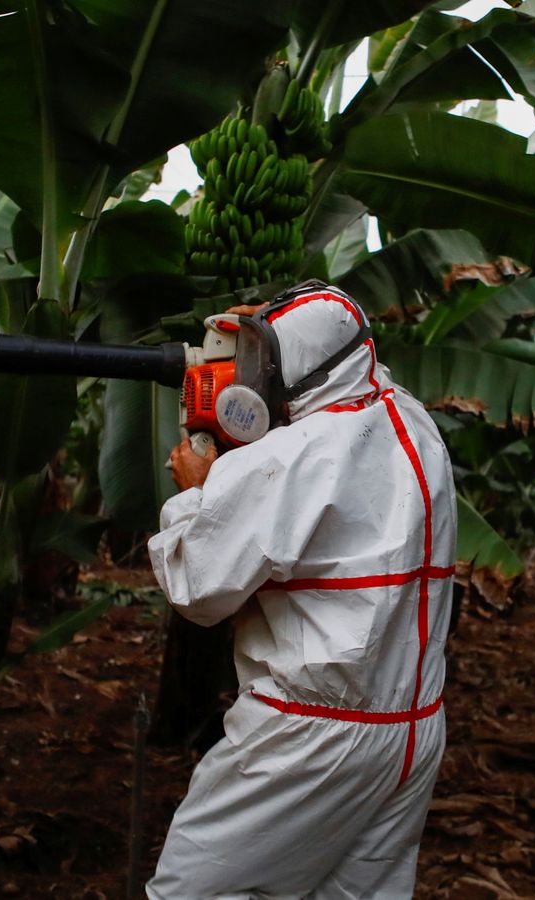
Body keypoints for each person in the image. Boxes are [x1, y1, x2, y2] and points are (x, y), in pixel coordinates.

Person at [145, 281, 457, 899]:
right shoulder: (412, 420)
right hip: (413, 729)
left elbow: (198, 588)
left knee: (190, 893)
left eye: (267, 361)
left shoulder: (294, 455)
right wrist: (275, 323)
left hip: (311, 734)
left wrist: (198, 494)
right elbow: (347, 351)